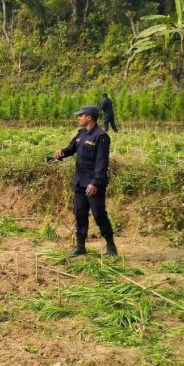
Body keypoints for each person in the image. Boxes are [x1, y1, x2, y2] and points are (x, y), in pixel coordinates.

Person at [54, 105, 117, 257]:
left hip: (93, 184)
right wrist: (61, 153)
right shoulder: (81, 134)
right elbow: (71, 148)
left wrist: (95, 183)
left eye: (81, 115)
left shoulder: (101, 136)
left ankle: (111, 247)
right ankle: (80, 246)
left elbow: (102, 164)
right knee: (80, 213)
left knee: (99, 214)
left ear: (89, 117)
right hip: (79, 182)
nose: (79, 118)